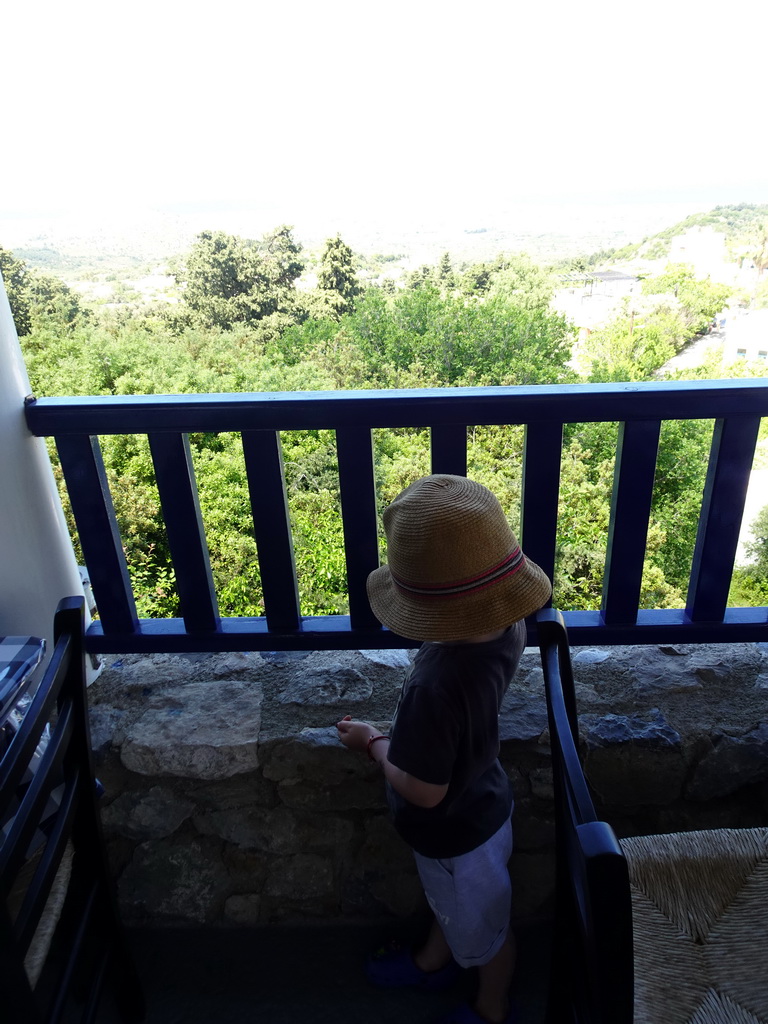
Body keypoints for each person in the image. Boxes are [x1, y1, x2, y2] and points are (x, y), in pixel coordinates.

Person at [336, 474, 551, 1024]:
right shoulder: (508, 629)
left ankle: (491, 1005)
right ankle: (434, 960)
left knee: (487, 935)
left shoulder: (438, 685)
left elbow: (424, 790)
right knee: (457, 910)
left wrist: (374, 744)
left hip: (454, 832)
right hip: (484, 804)